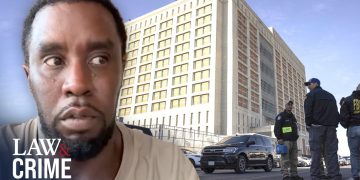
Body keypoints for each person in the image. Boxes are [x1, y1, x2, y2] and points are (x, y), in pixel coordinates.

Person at [0, 0, 199, 180]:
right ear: (29, 78)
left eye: (99, 59)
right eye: (54, 60)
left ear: (123, 69)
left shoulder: (171, 168)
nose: (77, 84)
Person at [304, 78, 342, 180]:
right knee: (332, 152)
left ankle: (316, 176)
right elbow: (336, 112)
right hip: (331, 128)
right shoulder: (330, 95)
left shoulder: (311, 95)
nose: (308, 86)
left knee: (316, 152)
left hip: (316, 127)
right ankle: (334, 175)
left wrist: (308, 124)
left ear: (316, 83)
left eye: (309, 84)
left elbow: (308, 111)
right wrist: (335, 124)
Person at [274, 101, 303, 180]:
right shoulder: (281, 116)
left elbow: (296, 127)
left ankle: (294, 175)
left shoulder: (292, 116)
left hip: (294, 141)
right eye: (288, 105)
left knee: (294, 159)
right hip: (285, 141)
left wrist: (296, 136)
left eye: (291, 105)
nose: (290, 106)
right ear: (285, 106)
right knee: (285, 159)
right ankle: (285, 175)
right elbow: (277, 128)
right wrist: (279, 138)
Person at [340, 83, 360, 180]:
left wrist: (346, 125)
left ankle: (356, 176)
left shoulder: (348, 100)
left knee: (354, 154)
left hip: (353, 128)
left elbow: (343, 116)